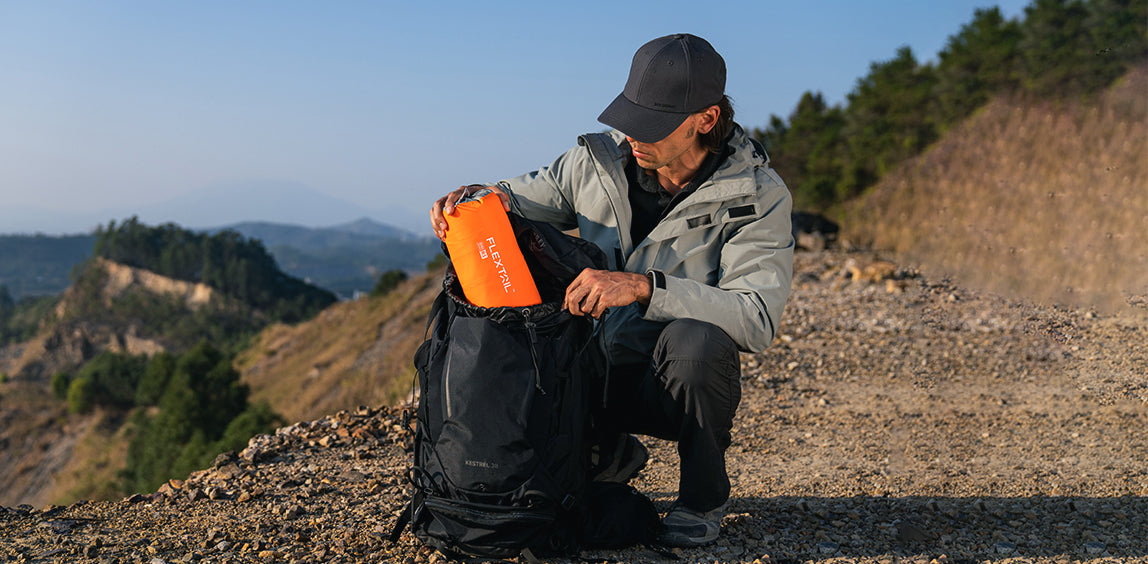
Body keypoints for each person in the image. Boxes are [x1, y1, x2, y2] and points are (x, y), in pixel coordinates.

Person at [430, 33, 793, 547]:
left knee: (699, 344)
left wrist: (645, 288)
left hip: (661, 381)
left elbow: (756, 317)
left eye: (653, 125)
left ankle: (702, 498)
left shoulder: (757, 196)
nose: (634, 136)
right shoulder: (595, 164)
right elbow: (512, 200)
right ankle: (602, 451)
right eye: (629, 117)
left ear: (706, 119)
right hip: (578, 369)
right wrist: (469, 201)